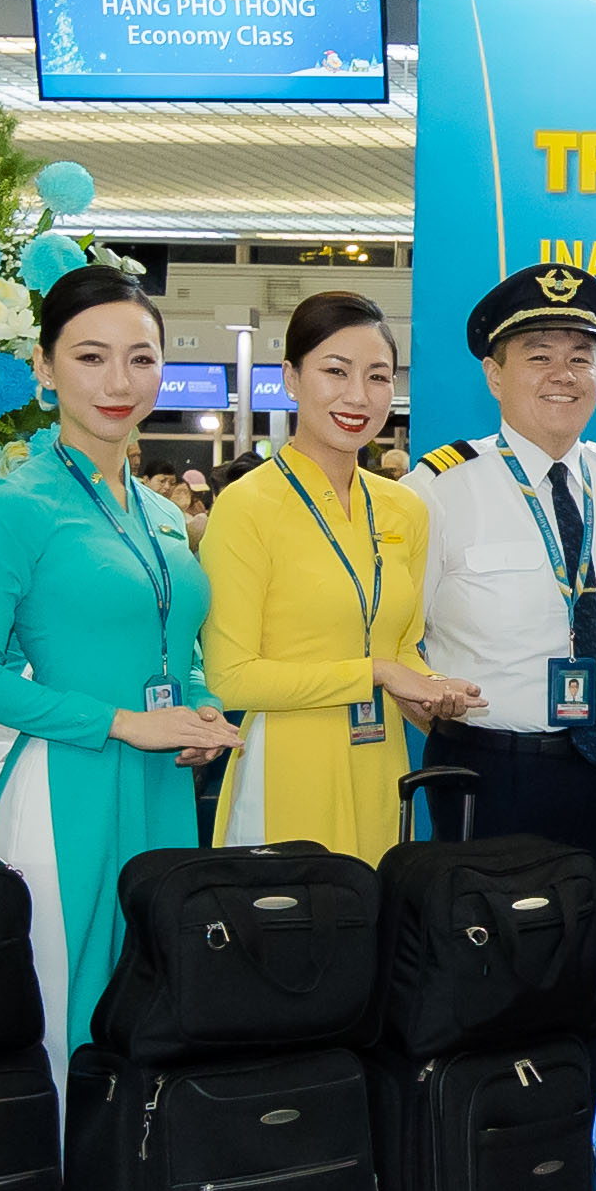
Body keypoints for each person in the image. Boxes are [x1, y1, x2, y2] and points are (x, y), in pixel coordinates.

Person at [408, 258, 596, 1191]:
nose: (563, 373)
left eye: (581, 355)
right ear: (494, 370)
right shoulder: (438, 490)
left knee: (589, 1002)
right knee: (489, 1006)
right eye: (538, 354)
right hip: (494, 778)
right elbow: (390, 638)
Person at [0, 260, 240, 1058]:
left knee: (152, 1005)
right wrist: (123, 723)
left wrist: (200, 707)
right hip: (63, 780)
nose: (119, 382)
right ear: (44, 367)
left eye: (140, 358)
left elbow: (175, 642)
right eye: (90, 357)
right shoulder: (18, 506)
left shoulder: (161, 514)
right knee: (65, 1015)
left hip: (160, 780)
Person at [195, 288, 467, 859]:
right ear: (291, 379)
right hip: (284, 767)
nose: (358, 396)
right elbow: (231, 677)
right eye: (335, 372)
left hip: (381, 767)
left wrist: (433, 691)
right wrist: (378, 673)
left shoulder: (404, 508)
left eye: (378, 376)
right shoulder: (248, 505)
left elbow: (403, 648)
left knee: (376, 908)